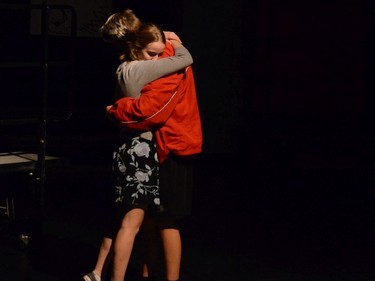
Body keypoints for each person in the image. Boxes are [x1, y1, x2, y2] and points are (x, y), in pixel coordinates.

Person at [83, 9, 197, 281]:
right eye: (152, 53)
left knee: (131, 219)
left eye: (159, 53)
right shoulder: (144, 69)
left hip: (129, 147)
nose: (158, 58)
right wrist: (173, 42)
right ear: (135, 48)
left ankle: (102, 272)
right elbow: (184, 61)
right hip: (143, 150)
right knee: (135, 222)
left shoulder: (125, 67)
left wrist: (114, 110)